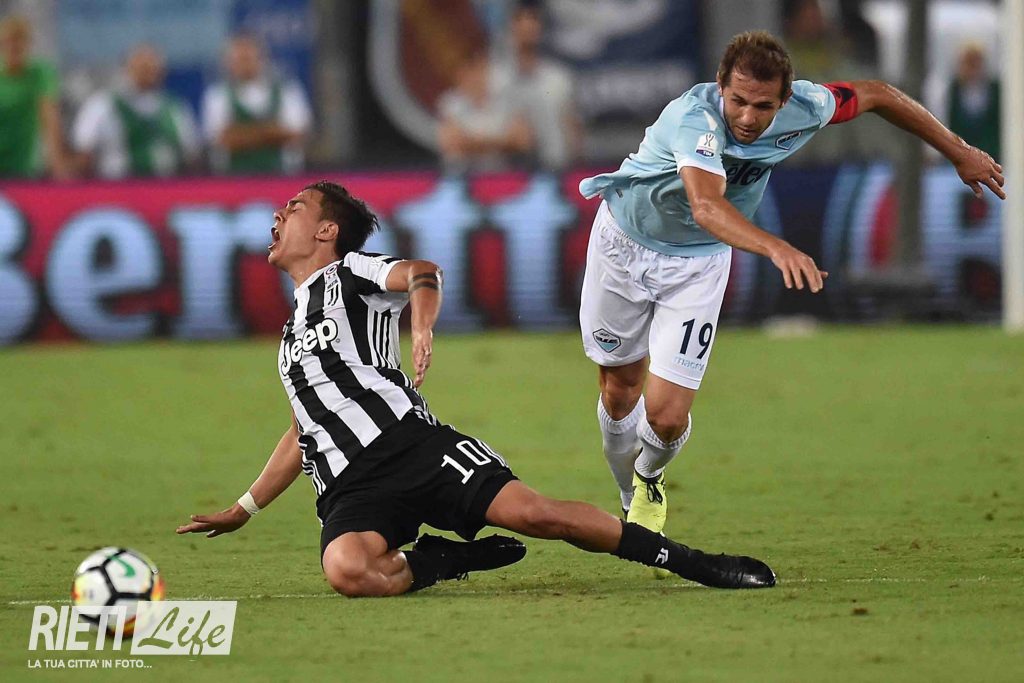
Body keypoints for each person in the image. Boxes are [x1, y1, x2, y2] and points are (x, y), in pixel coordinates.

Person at [175, 180, 777, 596]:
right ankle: (443, 559)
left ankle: (695, 563)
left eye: (295, 206)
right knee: (348, 572)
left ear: (327, 230)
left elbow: (422, 273)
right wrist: (245, 508)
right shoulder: (290, 336)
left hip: (412, 448)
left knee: (537, 515)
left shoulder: (349, 273)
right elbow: (303, 430)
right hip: (349, 486)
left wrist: (422, 324)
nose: (279, 214)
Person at [577, 31, 1004, 557]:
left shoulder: (808, 105)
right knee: (620, 391)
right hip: (623, 245)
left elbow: (878, 95)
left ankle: (648, 479)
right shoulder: (694, 120)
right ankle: (627, 490)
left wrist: (960, 152)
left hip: (698, 263)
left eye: (763, 106)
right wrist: (776, 248)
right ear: (720, 85)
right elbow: (707, 206)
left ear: (785, 100)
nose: (748, 117)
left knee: (665, 417)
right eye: (738, 100)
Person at [72, 44, 201, 179]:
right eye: (142, 67)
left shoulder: (175, 107)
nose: (148, 73)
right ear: (127, 69)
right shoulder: (102, 105)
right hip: (118, 184)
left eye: (153, 68)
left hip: (166, 184)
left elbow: (192, 152)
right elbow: (84, 152)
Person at [202, 34, 312, 175]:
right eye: (239, 59)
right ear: (228, 62)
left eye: (248, 58)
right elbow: (221, 139)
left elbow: (297, 134)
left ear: (263, 58)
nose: (244, 65)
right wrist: (271, 132)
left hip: (283, 176)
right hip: (232, 178)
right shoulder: (217, 95)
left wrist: (241, 133)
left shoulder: (287, 90)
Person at [492, 0, 581, 171]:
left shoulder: (558, 78)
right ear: (511, 27)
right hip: (506, 175)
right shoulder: (495, 79)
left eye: (533, 20)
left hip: (556, 171)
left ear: (541, 28)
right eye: (520, 20)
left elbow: (573, 130)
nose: (527, 27)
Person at [437, 49, 532, 173]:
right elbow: (451, 143)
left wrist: (472, 143)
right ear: (460, 75)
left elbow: (523, 141)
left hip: (501, 175)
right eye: (470, 71)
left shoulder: (506, 101)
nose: (476, 77)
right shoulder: (450, 104)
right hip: (463, 176)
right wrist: (501, 142)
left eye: (480, 70)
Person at [0, 14, 69, 179]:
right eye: (8, 43)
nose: (13, 48)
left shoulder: (40, 73)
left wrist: (57, 165)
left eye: (19, 43)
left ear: (28, 45)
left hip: (24, 166)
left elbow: (49, 119)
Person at [946, 43, 1000, 161]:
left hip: (994, 155)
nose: (971, 69)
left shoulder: (996, 89)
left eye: (975, 63)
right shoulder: (954, 90)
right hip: (961, 155)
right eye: (967, 63)